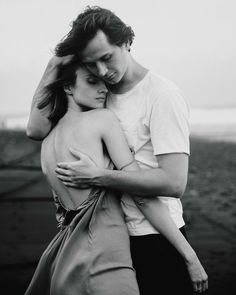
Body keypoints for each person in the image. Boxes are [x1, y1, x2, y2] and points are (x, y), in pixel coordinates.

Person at [26, 6, 208, 294]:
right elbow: (35, 129)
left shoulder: (162, 95)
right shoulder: (98, 99)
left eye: (106, 58)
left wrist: (98, 176)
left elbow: (174, 183)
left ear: (126, 42)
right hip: (113, 240)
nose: (102, 72)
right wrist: (53, 66)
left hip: (155, 236)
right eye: (91, 65)